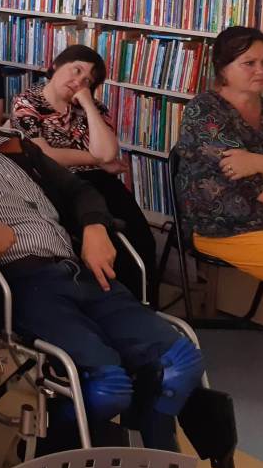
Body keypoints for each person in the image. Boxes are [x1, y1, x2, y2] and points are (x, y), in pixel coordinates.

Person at [0, 72, 205, 451]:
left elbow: (78, 189)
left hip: (79, 269)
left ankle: (153, 463)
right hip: (22, 285)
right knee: (109, 387)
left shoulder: (13, 146)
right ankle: (53, 445)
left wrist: (95, 227)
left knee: (182, 362)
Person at [174, 26, 263, 400]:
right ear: (223, 67)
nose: (261, 70)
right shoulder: (204, 112)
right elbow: (251, 187)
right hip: (225, 224)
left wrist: (260, 161)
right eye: (249, 63)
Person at [10, 44, 159, 308]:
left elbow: (109, 151)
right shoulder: (27, 102)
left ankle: (145, 306)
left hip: (100, 181)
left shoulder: (93, 107)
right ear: (56, 65)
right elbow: (44, 156)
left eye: (88, 80)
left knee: (141, 236)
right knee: (108, 241)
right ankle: (116, 305)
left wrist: (88, 104)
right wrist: (97, 160)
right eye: (76, 70)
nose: (79, 81)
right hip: (56, 184)